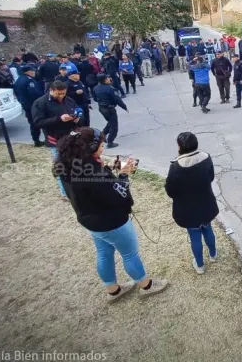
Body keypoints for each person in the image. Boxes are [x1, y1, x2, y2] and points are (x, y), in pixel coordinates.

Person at [55, 127, 169, 302]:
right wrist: (124, 175)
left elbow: (92, 177)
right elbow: (120, 196)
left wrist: (110, 167)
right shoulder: (96, 175)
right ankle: (146, 285)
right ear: (90, 148)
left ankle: (113, 290)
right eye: (101, 145)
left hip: (90, 220)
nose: (103, 149)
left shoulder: (67, 163)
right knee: (130, 254)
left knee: (103, 252)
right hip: (112, 222)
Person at [165, 132, 219, 274]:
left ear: (180, 147)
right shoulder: (206, 158)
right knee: (208, 229)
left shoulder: (176, 167)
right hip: (206, 204)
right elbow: (211, 177)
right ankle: (213, 255)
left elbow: (170, 191)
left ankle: (200, 265)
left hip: (188, 210)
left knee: (195, 236)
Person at [32, 80, 80, 200]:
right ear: (51, 90)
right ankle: (65, 192)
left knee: (76, 164)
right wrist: (59, 119)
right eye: (59, 94)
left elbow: (76, 109)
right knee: (61, 166)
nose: (61, 96)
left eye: (63, 93)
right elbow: (38, 122)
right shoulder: (40, 103)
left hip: (72, 137)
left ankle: (78, 187)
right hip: (56, 140)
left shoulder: (68, 100)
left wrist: (77, 117)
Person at [93, 73, 127, 149]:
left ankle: (103, 134)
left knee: (111, 122)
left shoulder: (95, 88)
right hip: (109, 109)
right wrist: (124, 107)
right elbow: (117, 99)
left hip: (101, 108)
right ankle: (110, 142)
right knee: (114, 126)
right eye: (108, 78)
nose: (109, 79)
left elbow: (95, 98)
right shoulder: (110, 88)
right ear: (105, 80)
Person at [13, 65, 45, 147]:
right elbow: (34, 93)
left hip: (26, 105)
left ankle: (36, 140)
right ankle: (38, 140)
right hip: (33, 105)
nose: (34, 72)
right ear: (28, 72)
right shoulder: (29, 80)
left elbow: (16, 93)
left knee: (32, 122)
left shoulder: (18, 80)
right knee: (38, 122)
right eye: (33, 71)